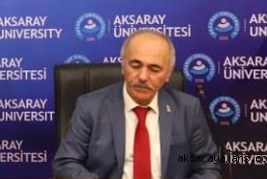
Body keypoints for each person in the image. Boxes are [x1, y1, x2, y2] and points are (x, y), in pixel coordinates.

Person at [53, 29, 221, 179]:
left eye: (154, 69)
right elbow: (66, 163)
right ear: (123, 66)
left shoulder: (188, 109)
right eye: (135, 65)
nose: (142, 77)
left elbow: (208, 167)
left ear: (168, 74)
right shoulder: (90, 107)